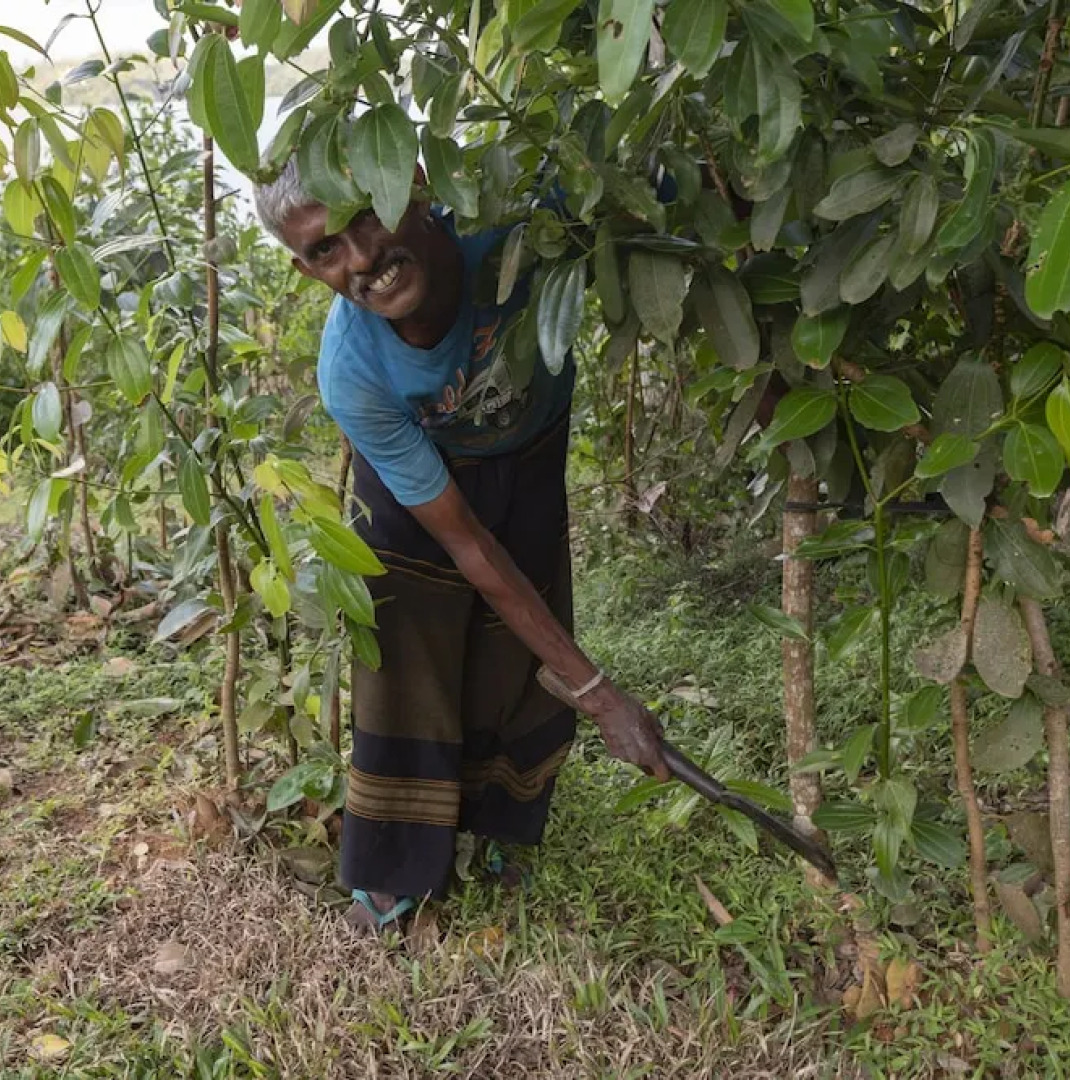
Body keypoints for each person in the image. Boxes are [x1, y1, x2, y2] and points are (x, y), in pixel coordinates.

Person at [253, 158, 742, 933]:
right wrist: (601, 696)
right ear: (303, 266)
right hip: (420, 494)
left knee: (520, 638)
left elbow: (673, 183)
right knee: (407, 652)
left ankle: (497, 830)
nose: (360, 261)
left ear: (414, 183)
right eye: (323, 251)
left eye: (365, 218)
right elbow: (469, 546)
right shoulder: (354, 371)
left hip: (527, 449)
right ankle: (394, 871)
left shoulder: (521, 222)